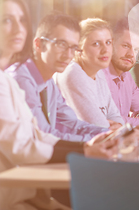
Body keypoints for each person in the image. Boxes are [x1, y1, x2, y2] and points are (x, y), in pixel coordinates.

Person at [0, 0, 118, 210]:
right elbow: (23, 145)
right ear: (38, 44)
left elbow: (38, 135)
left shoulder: (15, 80)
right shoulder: (16, 79)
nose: (18, 29)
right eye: (6, 20)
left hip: (29, 190)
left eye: (22, 20)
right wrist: (84, 149)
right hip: (14, 193)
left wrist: (102, 138)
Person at [7, 12, 109, 142]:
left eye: (73, 48)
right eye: (61, 44)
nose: (68, 55)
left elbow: (73, 124)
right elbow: (43, 135)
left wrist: (110, 134)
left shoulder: (49, 83)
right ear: (38, 44)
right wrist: (96, 141)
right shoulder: (21, 80)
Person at [54, 18, 124, 129]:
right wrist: (114, 127)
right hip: (74, 145)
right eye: (96, 44)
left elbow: (115, 116)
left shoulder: (99, 72)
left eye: (108, 42)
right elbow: (97, 126)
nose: (105, 50)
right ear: (78, 49)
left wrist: (118, 126)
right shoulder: (72, 73)